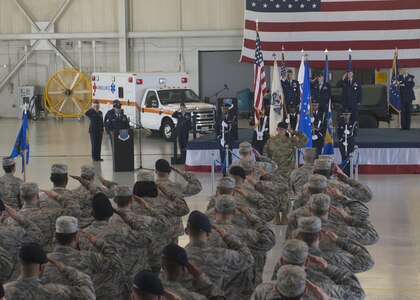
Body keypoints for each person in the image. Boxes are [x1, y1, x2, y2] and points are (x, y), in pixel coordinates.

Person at [43, 216, 123, 299]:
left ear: (55, 236)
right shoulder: (89, 258)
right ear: (76, 237)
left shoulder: (43, 261)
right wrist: (98, 243)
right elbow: (116, 263)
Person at [3, 242, 95, 300]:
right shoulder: (55, 292)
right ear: (41, 267)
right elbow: (88, 296)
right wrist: (66, 269)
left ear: (19, 264)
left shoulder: (4, 290)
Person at [263, 121, 308, 224]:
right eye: (281, 129)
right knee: (275, 193)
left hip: (287, 172)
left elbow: (305, 140)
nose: (282, 131)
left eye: (284, 129)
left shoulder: (291, 141)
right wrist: (267, 170)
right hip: (275, 172)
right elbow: (265, 156)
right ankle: (276, 217)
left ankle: (284, 215)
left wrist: (293, 131)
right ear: (277, 129)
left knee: (285, 194)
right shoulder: (270, 141)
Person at [215, 99, 236, 175]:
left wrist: (228, 124)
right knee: (222, 155)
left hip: (229, 137)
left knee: (229, 155)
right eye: (223, 109)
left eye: (225, 109)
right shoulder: (218, 118)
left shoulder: (232, 117)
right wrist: (219, 136)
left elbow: (233, 128)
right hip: (222, 138)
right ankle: (224, 173)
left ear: (228, 109)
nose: (224, 110)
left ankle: (229, 171)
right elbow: (216, 128)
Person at [337, 110, 356, 177]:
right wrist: (342, 140)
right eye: (345, 115)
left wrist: (349, 133)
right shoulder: (340, 123)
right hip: (342, 143)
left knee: (349, 158)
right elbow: (338, 133)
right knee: (344, 158)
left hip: (350, 143)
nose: (346, 116)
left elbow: (355, 133)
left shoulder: (353, 123)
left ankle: (350, 174)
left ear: (349, 116)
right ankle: (344, 174)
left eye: (347, 115)